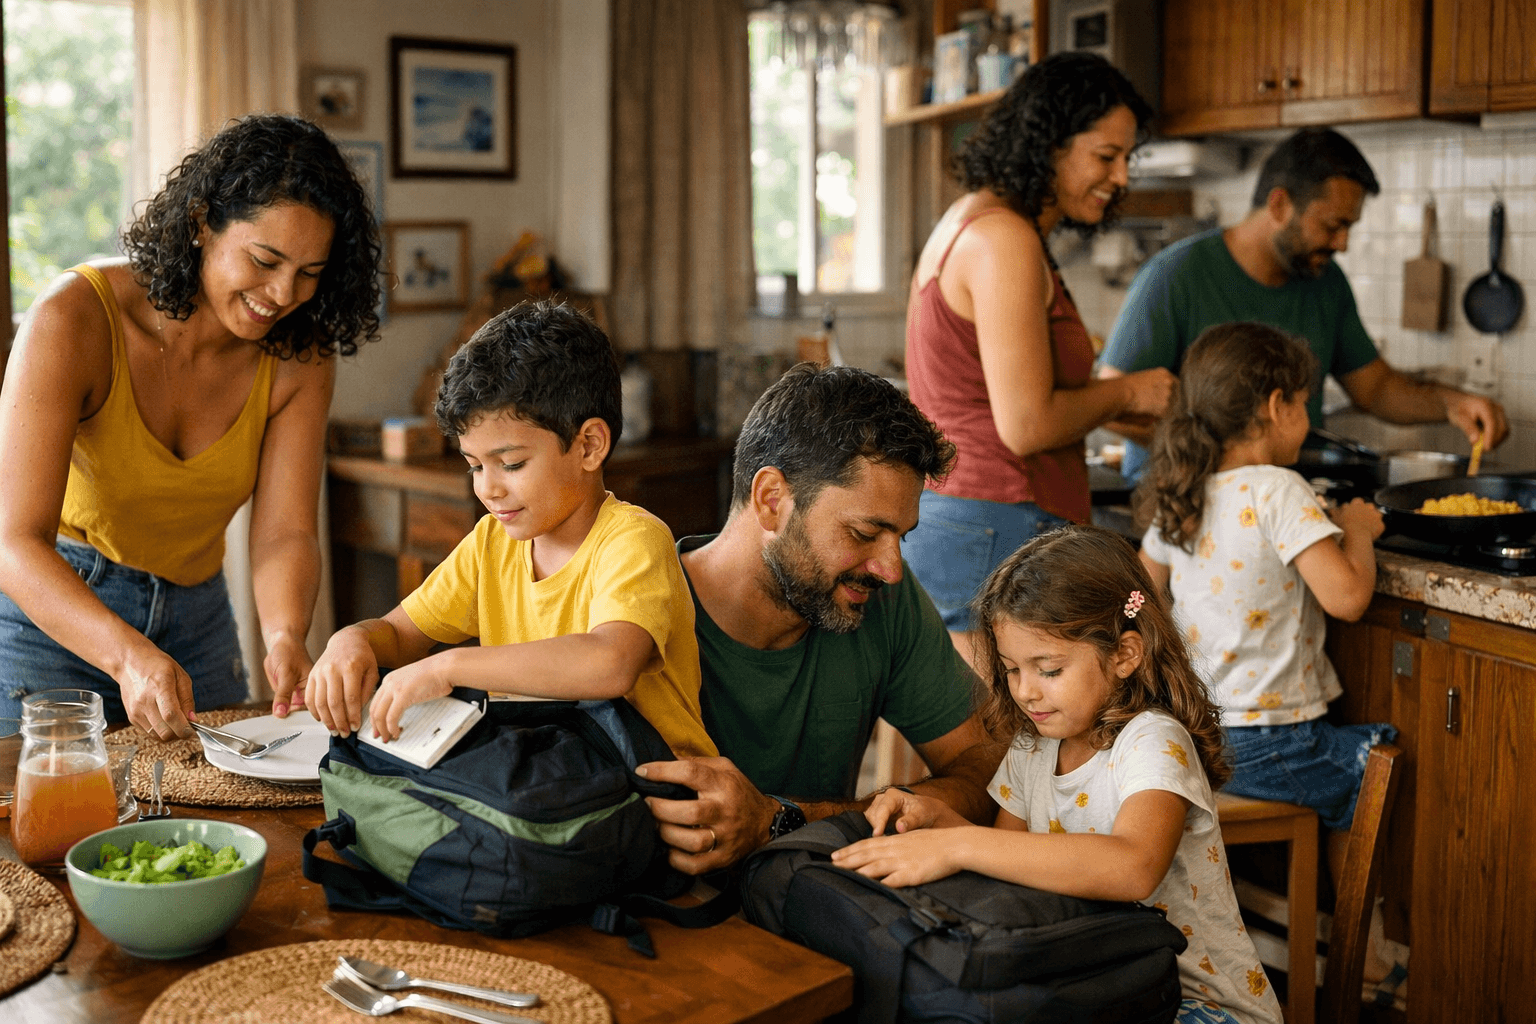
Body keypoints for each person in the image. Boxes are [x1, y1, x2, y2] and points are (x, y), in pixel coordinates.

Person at [0, 113, 381, 740]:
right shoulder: (74, 318)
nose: (283, 293)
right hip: (53, 613)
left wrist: (285, 635)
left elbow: (285, 530)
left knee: (226, 821)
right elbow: (15, 539)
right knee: (48, 825)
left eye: (309, 273)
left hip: (197, 615)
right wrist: (124, 654)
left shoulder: (300, 357)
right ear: (202, 223)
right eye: (265, 260)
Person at [832, 526, 1283, 1024]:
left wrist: (957, 846)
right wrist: (940, 822)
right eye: (1011, 670)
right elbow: (1009, 870)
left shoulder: (1152, 740)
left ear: (1124, 655)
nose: (1026, 692)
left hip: (1197, 1002)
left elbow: (1134, 867)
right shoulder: (1032, 747)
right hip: (1096, 982)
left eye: (1048, 670)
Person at [303, 300, 716, 761]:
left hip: (663, 801)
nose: (489, 489)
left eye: (512, 464)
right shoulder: (489, 546)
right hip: (554, 793)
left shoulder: (633, 541)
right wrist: (349, 642)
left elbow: (609, 662)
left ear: (589, 445)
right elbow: (398, 637)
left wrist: (450, 665)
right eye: (475, 466)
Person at [637, 364, 1003, 873]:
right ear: (771, 500)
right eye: (862, 532)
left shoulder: (880, 600)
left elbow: (991, 765)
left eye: (902, 537)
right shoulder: (634, 615)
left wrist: (785, 819)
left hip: (814, 909)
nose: (892, 570)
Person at [1135, 322, 1399, 981]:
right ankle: (1364, 958)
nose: (1306, 418)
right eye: (1305, 403)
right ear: (1275, 406)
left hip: (1203, 743)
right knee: (1377, 766)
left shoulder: (1183, 494)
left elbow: (1139, 594)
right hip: (1279, 746)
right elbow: (1348, 600)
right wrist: (1360, 532)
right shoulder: (1282, 490)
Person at [901, 51, 1176, 672]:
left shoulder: (972, 220)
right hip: (997, 521)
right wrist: (1129, 391)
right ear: (1048, 145)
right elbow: (1027, 424)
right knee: (989, 752)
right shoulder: (1005, 240)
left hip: (961, 519)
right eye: (1106, 156)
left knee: (946, 737)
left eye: (1128, 158)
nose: (1122, 176)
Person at [1100, 126, 1508, 481]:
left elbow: (1377, 388)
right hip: (1181, 516)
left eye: (1349, 227)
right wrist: (1223, 455)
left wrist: (1453, 403)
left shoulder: (1326, 283)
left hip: (1286, 512)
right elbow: (1111, 405)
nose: (1342, 244)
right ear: (1279, 205)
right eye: (1333, 225)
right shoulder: (1175, 275)